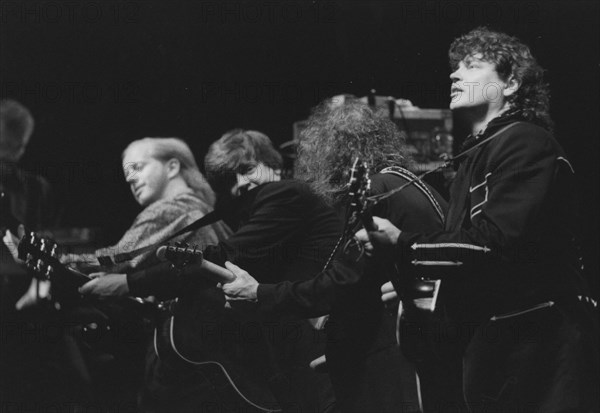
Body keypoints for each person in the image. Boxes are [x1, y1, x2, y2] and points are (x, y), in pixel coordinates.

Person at [355, 27, 599, 412]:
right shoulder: (477, 155)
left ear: (511, 83)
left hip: (541, 346)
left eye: (472, 66)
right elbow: (476, 264)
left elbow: (493, 244)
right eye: (455, 68)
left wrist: (403, 242)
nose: (454, 75)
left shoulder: (525, 141)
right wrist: (414, 288)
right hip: (501, 345)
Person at [220, 99, 449, 412]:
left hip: (391, 368)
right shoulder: (411, 183)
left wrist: (258, 292)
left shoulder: (374, 193)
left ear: (331, 152)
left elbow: (341, 283)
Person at [106, 129, 341, 412]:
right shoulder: (263, 210)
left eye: (247, 169)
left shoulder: (284, 193)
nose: (241, 184)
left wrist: (131, 283)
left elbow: (223, 255)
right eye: (231, 179)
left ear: (275, 166)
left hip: (318, 344)